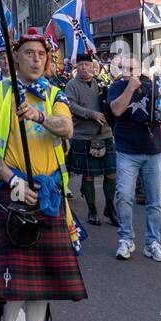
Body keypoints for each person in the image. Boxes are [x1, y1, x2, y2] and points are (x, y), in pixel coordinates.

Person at [0, 29, 86, 321]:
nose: (37, 59)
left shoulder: (55, 95)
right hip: (15, 192)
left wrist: (38, 117)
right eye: (29, 53)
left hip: (49, 193)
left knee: (42, 281)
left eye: (42, 53)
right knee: (14, 280)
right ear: (16, 57)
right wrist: (12, 181)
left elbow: (66, 127)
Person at [107, 54, 161, 262]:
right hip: (127, 150)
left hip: (152, 149)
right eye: (125, 68)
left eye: (133, 68)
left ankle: (152, 243)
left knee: (154, 201)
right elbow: (115, 110)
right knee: (124, 196)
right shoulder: (117, 87)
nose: (130, 72)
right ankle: (126, 239)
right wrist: (130, 88)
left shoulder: (151, 85)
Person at [64, 53, 117, 226]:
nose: (85, 68)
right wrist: (91, 114)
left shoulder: (102, 83)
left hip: (105, 133)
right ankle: (92, 210)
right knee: (88, 176)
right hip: (84, 135)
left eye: (88, 65)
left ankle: (110, 208)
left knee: (112, 172)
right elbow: (70, 105)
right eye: (81, 65)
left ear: (94, 67)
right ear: (76, 68)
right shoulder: (71, 85)